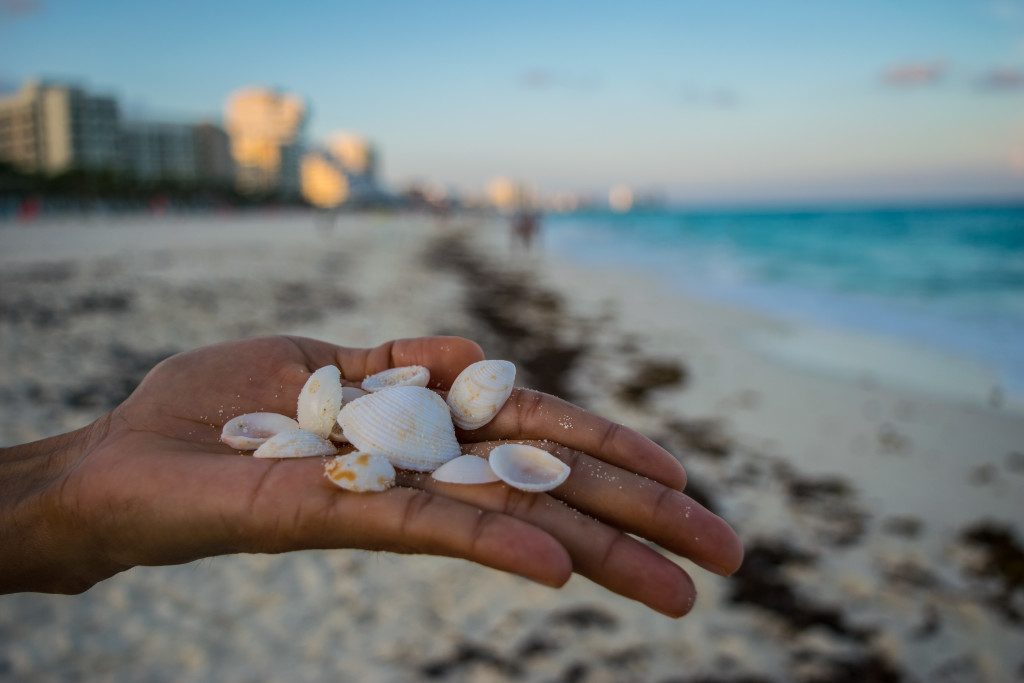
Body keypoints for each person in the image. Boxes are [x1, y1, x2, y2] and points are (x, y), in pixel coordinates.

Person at [0, 335, 742, 618]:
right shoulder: (353, 418)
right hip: (371, 431)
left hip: (381, 430)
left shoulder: (375, 412)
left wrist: (69, 477)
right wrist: (69, 483)